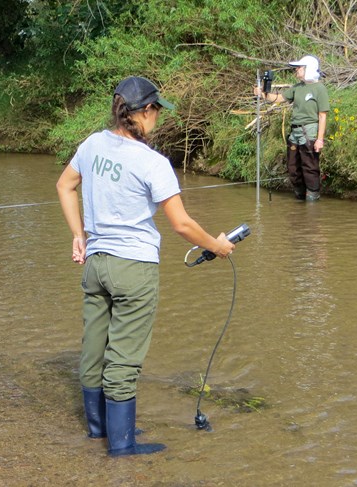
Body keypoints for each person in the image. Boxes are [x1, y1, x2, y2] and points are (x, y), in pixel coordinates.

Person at [56, 76, 235, 457]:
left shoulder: (92, 144)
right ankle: (121, 448)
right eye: (156, 111)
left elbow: (64, 186)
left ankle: (97, 432)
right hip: (133, 269)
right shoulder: (153, 163)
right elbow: (182, 224)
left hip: (96, 264)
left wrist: (78, 234)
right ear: (144, 112)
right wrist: (217, 246)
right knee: (124, 359)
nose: (158, 119)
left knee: (93, 349)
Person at [254, 55, 329, 201]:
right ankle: (300, 196)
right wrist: (262, 94)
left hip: (310, 131)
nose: (296, 70)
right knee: (293, 167)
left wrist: (320, 139)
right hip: (295, 132)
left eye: (299, 68)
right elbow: (279, 99)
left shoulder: (319, 88)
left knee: (310, 166)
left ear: (308, 69)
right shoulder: (297, 88)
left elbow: (322, 115)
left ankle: (312, 197)